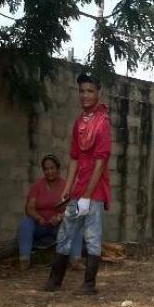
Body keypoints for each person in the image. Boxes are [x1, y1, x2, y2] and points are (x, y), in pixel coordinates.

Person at [44, 72, 112, 295]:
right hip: (78, 188)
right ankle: (54, 281)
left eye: (90, 91)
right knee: (64, 234)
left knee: (92, 237)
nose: (85, 95)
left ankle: (89, 285)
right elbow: (74, 157)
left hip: (94, 190)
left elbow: (100, 162)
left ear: (99, 93)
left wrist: (87, 196)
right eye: (82, 91)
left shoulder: (102, 123)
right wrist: (67, 189)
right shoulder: (79, 123)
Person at [18, 155, 82, 269]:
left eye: (52, 168)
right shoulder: (37, 186)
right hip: (40, 226)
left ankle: (75, 260)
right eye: (46, 169)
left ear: (58, 169)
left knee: (75, 224)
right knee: (25, 223)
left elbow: (73, 209)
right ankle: (24, 260)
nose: (49, 171)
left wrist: (60, 217)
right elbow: (29, 208)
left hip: (58, 227)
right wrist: (39, 218)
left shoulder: (65, 186)